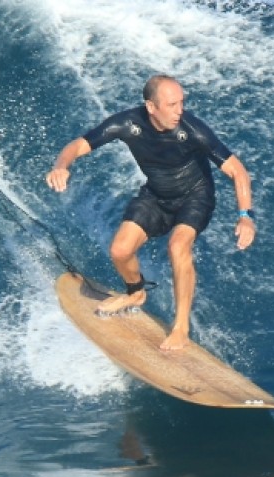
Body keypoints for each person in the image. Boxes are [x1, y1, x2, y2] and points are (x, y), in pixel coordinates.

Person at [46, 75, 256, 351]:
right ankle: (135, 294)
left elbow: (237, 171)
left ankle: (181, 327)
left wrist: (245, 216)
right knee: (120, 251)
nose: (179, 110)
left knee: (178, 245)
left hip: (195, 197)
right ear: (151, 107)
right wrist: (62, 165)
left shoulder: (193, 130)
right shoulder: (127, 124)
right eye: (171, 104)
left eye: (181, 102)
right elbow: (77, 145)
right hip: (156, 195)